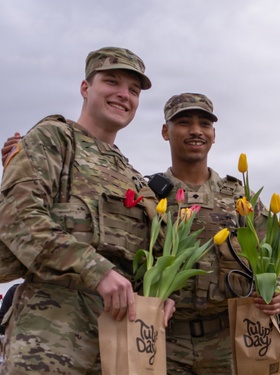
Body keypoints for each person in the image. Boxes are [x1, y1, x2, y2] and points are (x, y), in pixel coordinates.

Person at [0, 46, 175, 374]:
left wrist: (162, 293)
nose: (124, 95)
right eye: (112, 82)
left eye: (133, 91)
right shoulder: (55, 138)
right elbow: (18, 218)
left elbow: (149, 253)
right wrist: (96, 270)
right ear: (85, 88)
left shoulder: (133, 177)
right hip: (52, 327)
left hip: (123, 332)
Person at [154, 93, 280, 374]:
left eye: (204, 124)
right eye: (184, 122)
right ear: (165, 131)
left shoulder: (241, 199)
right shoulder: (150, 195)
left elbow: (277, 259)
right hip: (165, 339)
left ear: (214, 134)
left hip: (229, 341)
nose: (196, 130)